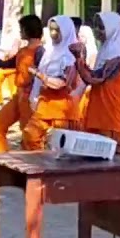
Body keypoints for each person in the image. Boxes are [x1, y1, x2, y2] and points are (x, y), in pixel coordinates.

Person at [0, 15, 45, 153]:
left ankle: (33, 170)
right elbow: (6, 64)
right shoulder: (23, 51)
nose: (20, 32)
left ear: (27, 30)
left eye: (21, 29)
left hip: (30, 98)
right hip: (18, 96)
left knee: (29, 138)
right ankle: (0, 162)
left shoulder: (40, 51)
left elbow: (42, 77)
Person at [75, 12, 120, 148]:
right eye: (96, 26)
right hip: (102, 110)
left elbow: (94, 78)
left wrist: (78, 59)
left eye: (101, 27)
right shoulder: (106, 49)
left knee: (111, 154)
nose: (97, 31)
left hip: (111, 114)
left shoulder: (116, 54)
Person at [22, 16, 80, 150]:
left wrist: (38, 74)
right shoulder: (50, 51)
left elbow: (62, 83)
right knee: (30, 136)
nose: (53, 34)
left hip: (62, 109)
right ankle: (38, 168)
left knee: (60, 148)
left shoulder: (70, 56)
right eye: (51, 30)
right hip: (45, 104)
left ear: (65, 31)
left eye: (57, 30)